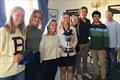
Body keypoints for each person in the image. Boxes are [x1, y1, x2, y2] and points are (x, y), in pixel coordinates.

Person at [0, 6, 26, 80]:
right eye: (18, 15)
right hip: (6, 72)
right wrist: (12, 59)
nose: (20, 18)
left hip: (20, 70)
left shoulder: (22, 31)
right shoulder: (3, 31)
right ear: (11, 15)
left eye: (23, 16)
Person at [90, 11, 109, 80]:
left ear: (99, 17)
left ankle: (103, 77)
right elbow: (89, 36)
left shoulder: (104, 26)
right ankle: (97, 74)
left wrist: (105, 48)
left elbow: (106, 38)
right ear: (93, 17)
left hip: (101, 49)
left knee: (102, 63)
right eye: (95, 16)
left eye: (97, 16)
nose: (96, 18)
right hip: (93, 48)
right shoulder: (90, 26)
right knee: (94, 62)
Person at [58, 12, 77, 80]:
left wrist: (73, 47)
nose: (66, 19)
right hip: (62, 53)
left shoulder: (73, 29)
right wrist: (60, 46)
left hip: (71, 53)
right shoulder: (58, 29)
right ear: (62, 18)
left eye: (68, 18)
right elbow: (56, 40)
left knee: (70, 69)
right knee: (62, 70)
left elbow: (75, 40)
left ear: (70, 19)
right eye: (64, 18)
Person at [25, 10, 43, 80]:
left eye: (39, 18)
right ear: (31, 17)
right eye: (35, 17)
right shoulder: (25, 29)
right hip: (27, 57)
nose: (37, 19)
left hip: (37, 57)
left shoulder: (40, 31)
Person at [77, 6, 91, 79]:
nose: (84, 13)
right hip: (78, 44)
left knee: (85, 59)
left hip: (86, 43)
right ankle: (79, 74)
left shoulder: (88, 21)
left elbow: (89, 32)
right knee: (78, 60)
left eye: (85, 12)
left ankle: (85, 72)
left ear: (87, 12)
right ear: (80, 12)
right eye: (82, 12)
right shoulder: (77, 20)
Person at [104, 10, 120, 75]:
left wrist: (118, 46)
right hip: (106, 46)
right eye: (107, 15)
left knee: (113, 60)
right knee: (107, 60)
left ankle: (113, 73)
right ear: (105, 16)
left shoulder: (116, 24)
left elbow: (119, 35)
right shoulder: (104, 24)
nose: (108, 16)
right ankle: (108, 71)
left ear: (112, 15)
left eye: (110, 15)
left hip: (114, 46)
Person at [70, 14, 81, 80]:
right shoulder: (70, 28)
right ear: (71, 19)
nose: (75, 20)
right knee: (72, 64)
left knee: (77, 63)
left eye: (77, 19)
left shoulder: (77, 27)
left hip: (77, 49)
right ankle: (72, 76)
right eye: (74, 19)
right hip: (71, 50)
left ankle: (76, 75)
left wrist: (78, 50)